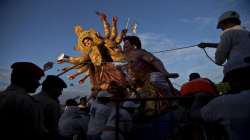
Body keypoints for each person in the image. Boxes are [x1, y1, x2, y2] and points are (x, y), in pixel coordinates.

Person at [123, 35, 178, 115]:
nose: (124, 46)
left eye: (126, 44)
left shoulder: (140, 53)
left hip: (151, 76)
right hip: (140, 84)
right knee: (129, 101)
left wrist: (165, 73)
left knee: (154, 79)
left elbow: (155, 61)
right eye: (124, 44)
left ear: (133, 45)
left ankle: (172, 99)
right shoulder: (124, 57)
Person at [198, 10, 250, 92]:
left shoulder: (228, 32)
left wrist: (218, 60)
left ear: (227, 22)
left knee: (223, 92)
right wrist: (207, 44)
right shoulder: (246, 33)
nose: (221, 29)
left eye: (221, 26)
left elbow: (220, 56)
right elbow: (232, 44)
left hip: (237, 72)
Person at [0, 62, 45, 140]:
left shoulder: (3, 96)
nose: (38, 84)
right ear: (26, 79)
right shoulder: (28, 103)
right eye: (37, 80)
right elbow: (36, 133)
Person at [34, 75, 67, 140]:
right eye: (60, 90)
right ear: (52, 89)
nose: (61, 93)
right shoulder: (51, 104)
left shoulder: (33, 98)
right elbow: (53, 128)